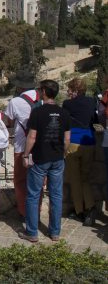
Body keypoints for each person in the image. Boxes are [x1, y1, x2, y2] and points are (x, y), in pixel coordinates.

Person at [20, 80, 70, 243]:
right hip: (57, 158)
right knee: (56, 195)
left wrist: (25, 155)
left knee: (33, 195)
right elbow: (67, 138)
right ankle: (55, 232)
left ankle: (32, 232)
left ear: (43, 92)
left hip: (41, 158)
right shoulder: (64, 113)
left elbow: (32, 136)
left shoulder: (37, 112)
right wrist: (63, 152)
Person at [62, 78, 99, 225]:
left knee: (75, 180)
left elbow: (63, 123)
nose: (68, 92)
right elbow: (95, 121)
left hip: (73, 143)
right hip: (89, 141)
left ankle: (79, 211)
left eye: (70, 90)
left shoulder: (67, 104)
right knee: (85, 178)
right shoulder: (91, 101)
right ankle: (90, 207)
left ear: (75, 90)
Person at [3, 75, 41, 217]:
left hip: (21, 147)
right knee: (37, 183)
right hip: (39, 147)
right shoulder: (41, 98)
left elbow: (10, 122)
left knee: (20, 181)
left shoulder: (15, 101)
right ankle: (36, 211)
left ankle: (24, 212)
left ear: (21, 87)